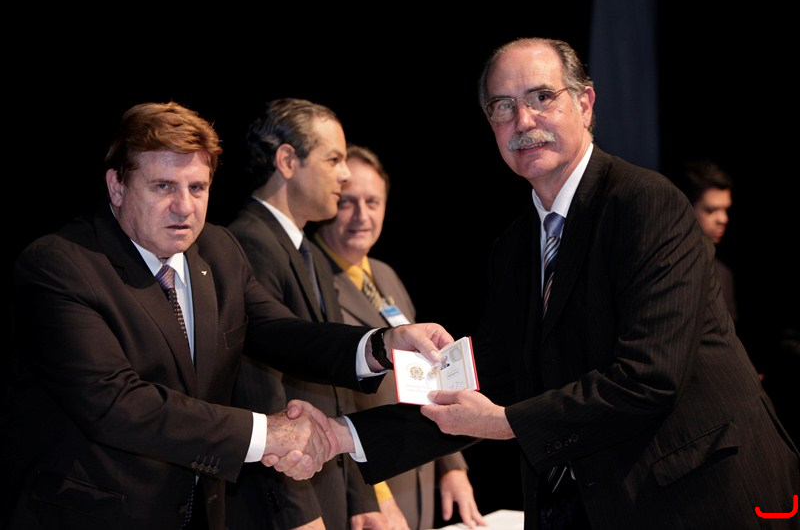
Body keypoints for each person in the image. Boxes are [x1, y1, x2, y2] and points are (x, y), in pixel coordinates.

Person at [273, 37, 800, 529]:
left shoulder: (646, 205)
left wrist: (506, 423)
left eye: (542, 97)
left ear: (585, 104)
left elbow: (649, 379)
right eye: (503, 107)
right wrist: (343, 436)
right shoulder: (514, 248)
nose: (523, 120)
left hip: (707, 496)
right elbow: (491, 383)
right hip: (601, 500)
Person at [2, 101, 453, 530]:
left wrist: (380, 346)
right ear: (117, 187)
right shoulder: (60, 265)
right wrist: (266, 434)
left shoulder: (218, 250)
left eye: (197, 188)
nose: (184, 206)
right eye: (163, 187)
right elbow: (118, 404)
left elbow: (280, 332)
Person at [226, 99, 384, 530]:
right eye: (333, 159)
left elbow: (337, 392)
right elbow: (259, 393)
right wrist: (300, 514)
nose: (345, 174)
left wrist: (361, 499)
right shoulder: (248, 243)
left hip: (326, 493)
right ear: (287, 161)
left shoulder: (309, 251)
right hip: (286, 508)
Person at [313, 144, 484, 530]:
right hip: (364, 488)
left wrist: (452, 465)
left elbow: (428, 373)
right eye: (347, 202)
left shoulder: (386, 275)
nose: (362, 216)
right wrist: (375, 496)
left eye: (372, 202)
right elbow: (323, 400)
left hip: (414, 471)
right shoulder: (310, 279)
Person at [677, 159, 737, 321]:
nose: (723, 219)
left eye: (725, 209)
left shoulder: (723, 274)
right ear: (687, 208)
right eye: (711, 210)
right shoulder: (662, 264)